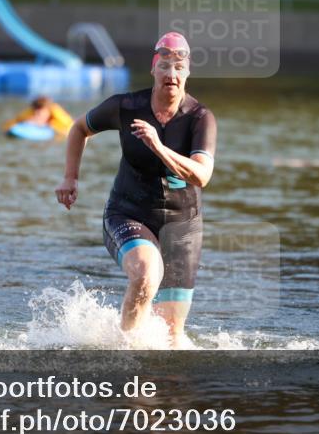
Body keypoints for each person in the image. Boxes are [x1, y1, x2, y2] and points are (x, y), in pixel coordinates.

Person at [55, 32, 216, 348]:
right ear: (154, 69)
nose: (171, 75)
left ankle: (156, 389)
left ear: (187, 74)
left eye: (179, 68)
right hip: (128, 213)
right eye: (165, 67)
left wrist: (157, 146)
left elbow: (202, 175)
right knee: (146, 274)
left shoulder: (200, 118)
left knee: (172, 336)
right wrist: (70, 178)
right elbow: (78, 128)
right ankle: (125, 357)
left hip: (183, 226)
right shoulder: (126, 106)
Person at [2, 95, 74, 136]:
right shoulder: (29, 113)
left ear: (49, 111)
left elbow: (71, 128)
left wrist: (51, 126)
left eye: (39, 113)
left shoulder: (57, 117)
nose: (37, 114)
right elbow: (9, 126)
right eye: (35, 112)